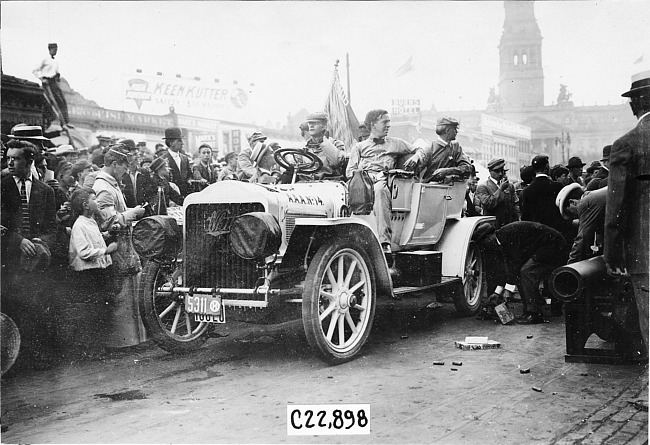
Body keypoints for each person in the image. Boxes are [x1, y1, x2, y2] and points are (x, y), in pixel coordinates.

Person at [604, 69, 650, 356]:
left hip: (645, 251)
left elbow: (617, 206)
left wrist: (613, 254)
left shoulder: (627, 143)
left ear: (635, 105)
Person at [1, 139, 58, 368]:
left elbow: (51, 228)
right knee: (11, 308)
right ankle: (11, 362)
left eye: (16, 158)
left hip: (35, 262)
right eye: (8, 158)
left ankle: (35, 360)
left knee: (35, 308)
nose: (11, 163)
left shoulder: (45, 191)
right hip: (8, 261)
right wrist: (18, 241)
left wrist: (41, 243)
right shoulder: (2, 186)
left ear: (29, 160)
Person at [346, 109, 427, 254]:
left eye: (389, 122)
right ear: (373, 125)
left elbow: (421, 149)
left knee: (380, 189)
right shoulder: (359, 147)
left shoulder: (396, 143)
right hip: (363, 182)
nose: (388, 125)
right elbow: (349, 171)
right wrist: (364, 176)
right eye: (385, 122)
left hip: (384, 179)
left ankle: (384, 242)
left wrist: (416, 157)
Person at [92, 145, 146, 348]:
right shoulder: (104, 187)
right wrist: (134, 213)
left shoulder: (110, 184)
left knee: (127, 293)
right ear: (115, 164)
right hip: (116, 246)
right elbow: (107, 222)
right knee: (122, 294)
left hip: (122, 246)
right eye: (124, 167)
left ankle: (130, 341)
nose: (126, 171)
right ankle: (123, 343)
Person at [475, 221, 568, 324]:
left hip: (552, 244)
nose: (486, 247)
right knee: (523, 273)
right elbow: (506, 270)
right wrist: (498, 292)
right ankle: (531, 308)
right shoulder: (501, 240)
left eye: (484, 244)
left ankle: (534, 313)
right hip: (544, 245)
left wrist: (507, 290)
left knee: (527, 272)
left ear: (489, 238)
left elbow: (515, 265)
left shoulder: (508, 236)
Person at [68, 187, 117, 288]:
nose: (97, 201)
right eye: (94, 199)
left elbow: (93, 238)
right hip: (88, 273)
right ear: (85, 205)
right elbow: (83, 252)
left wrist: (107, 234)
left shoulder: (90, 221)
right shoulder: (79, 225)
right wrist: (105, 251)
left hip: (97, 269)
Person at [521, 155, 571, 242]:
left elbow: (525, 216)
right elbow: (565, 210)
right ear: (547, 167)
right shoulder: (557, 186)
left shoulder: (526, 191)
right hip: (557, 232)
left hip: (537, 235)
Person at [420, 117, 472, 183]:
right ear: (448, 130)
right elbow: (417, 172)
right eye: (455, 129)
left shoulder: (456, 147)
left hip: (451, 189)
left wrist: (447, 171)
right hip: (431, 189)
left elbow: (467, 168)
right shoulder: (430, 148)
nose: (457, 131)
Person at [33, 43, 70, 128]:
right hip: (47, 82)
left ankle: (65, 122)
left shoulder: (55, 61)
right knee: (53, 101)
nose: (56, 51)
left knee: (62, 101)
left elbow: (56, 72)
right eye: (54, 50)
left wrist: (58, 76)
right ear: (50, 49)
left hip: (54, 81)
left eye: (56, 50)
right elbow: (35, 70)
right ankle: (60, 122)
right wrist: (42, 78)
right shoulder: (44, 59)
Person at [475, 158, 520, 228]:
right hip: (492, 228)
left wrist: (517, 220)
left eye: (502, 170)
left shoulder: (510, 186)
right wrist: (500, 190)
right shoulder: (483, 187)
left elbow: (515, 205)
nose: (500, 173)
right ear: (490, 171)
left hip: (509, 226)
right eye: (497, 171)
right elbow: (489, 204)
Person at [568, 186, 607, 264]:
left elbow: (582, 238)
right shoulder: (594, 197)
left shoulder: (585, 202)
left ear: (572, 202)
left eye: (570, 212)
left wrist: (571, 265)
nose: (575, 216)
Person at [303, 112, 346, 179]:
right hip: (307, 183)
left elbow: (336, 162)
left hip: (330, 183)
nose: (311, 126)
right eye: (309, 123)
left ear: (324, 126)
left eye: (315, 123)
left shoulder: (336, 144)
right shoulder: (305, 147)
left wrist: (324, 142)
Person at [161, 127, 192, 197]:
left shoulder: (185, 158)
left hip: (185, 196)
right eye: (179, 141)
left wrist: (189, 180)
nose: (182, 143)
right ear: (171, 143)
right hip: (171, 199)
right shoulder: (162, 160)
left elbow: (189, 175)